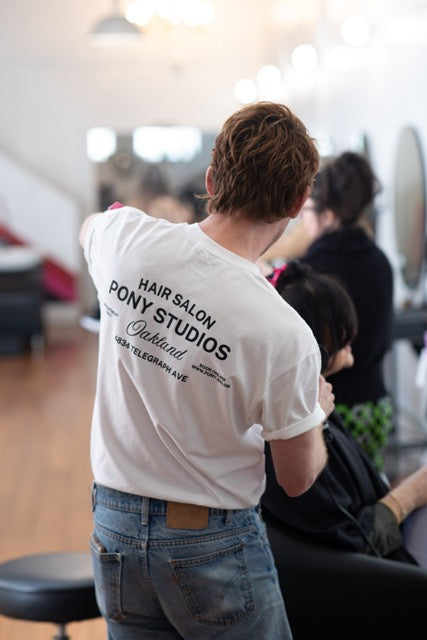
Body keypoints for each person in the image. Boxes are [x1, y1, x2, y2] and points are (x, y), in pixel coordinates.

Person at [79, 101, 331, 640]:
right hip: (210, 543)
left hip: (113, 529)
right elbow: (297, 479)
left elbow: (90, 228)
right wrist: (317, 413)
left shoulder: (125, 239)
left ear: (213, 179)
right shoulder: (285, 334)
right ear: (297, 201)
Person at [262, 260, 427, 566]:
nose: (352, 332)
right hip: (367, 580)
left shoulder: (315, 403)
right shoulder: (299, 426)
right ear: (311, 336)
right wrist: (412, 493)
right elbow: (356, 538)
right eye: (338, 324)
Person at [298, 151, 394, 470]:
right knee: (371, 490)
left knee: (333, 494)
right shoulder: (381, 261)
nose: (303, 220)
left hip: (335, 407)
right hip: (377, 406)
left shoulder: (311, 269)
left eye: (307, 210)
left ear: (327, 215)